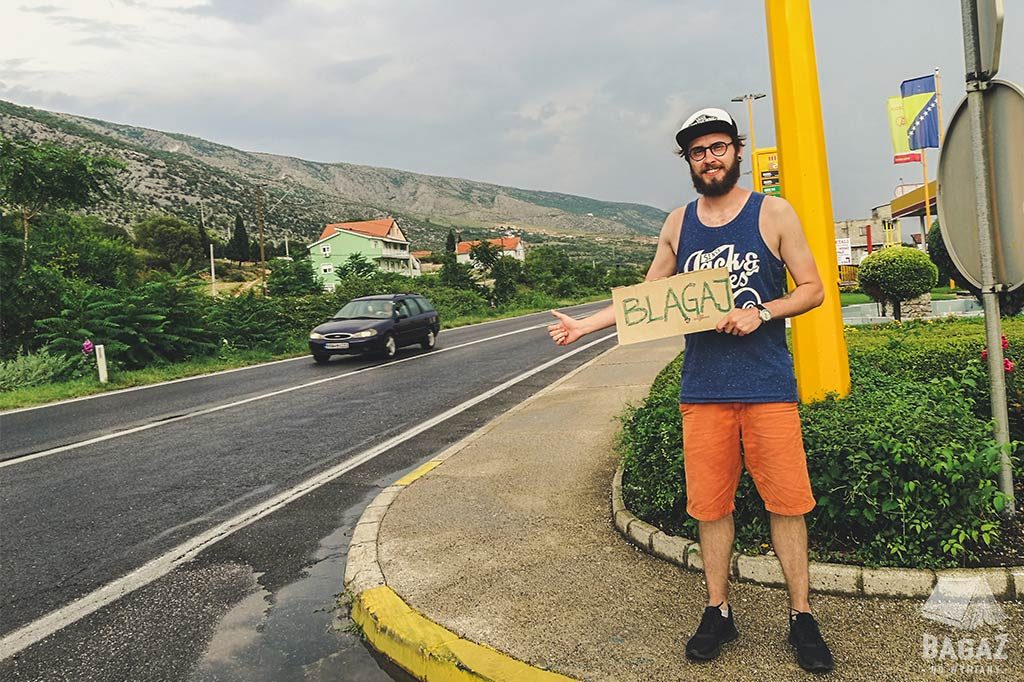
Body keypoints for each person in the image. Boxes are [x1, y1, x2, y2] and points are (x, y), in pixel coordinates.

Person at [547, 107, 834, 674]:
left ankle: (801, 615)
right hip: (702, 391)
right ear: (689, 161)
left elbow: (813, 288)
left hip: (768, 387)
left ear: (736, 150)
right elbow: (647, 298)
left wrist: (762, 311)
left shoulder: (773, 212)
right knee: (710, 507)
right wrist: (585, 326)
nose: (709, 158)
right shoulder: (679, 223)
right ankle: (717, 609)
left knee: (787, 504)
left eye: (718, 146)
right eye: (698, 151)